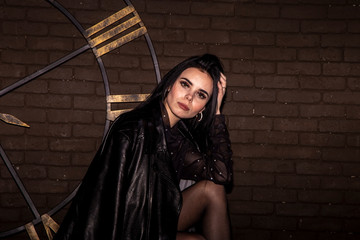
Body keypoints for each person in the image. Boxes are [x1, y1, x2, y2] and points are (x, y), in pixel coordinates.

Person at [54, 54, 233, 240]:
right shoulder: (134, 128)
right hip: (130, 226)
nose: (189, 97)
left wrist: (217, 115)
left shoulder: (180, 140)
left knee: (213, 190)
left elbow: (221, 175)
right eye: (185, 84)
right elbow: (105, 199)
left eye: (200, 95)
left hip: (155, 220)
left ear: (203, 109)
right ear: (170, 84)